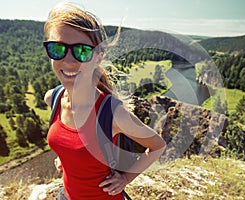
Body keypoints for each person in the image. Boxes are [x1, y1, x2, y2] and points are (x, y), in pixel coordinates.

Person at [43, 2, 166, 200]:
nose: (68, 60)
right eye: (58, 48)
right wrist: (64, 158)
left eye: (82, 51)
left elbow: (158, 146)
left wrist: (126, 178)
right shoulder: (53, 98)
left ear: (98, 57)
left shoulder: (113, 114)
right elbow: (67, 144)